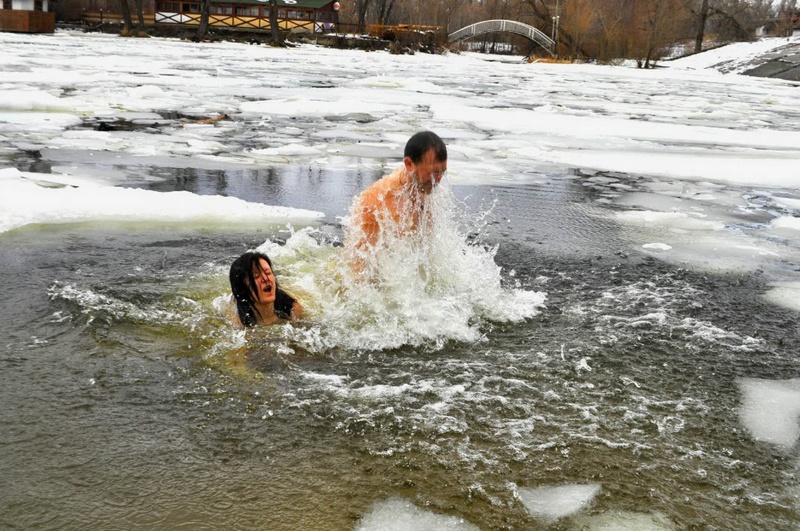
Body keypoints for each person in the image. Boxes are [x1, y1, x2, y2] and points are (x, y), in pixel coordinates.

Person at [346, 131, 448, 271]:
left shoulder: (421, 186)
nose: (437, 180)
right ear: (409, 164)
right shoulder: (377, 201)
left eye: (442, 172)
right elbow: (357, 266)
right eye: (433, 172)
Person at [228, 251, 304, 327]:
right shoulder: (237, 323)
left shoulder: (293, 309)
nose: (265, 279)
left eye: (268, 273)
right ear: (242, 288)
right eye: (256, 276)